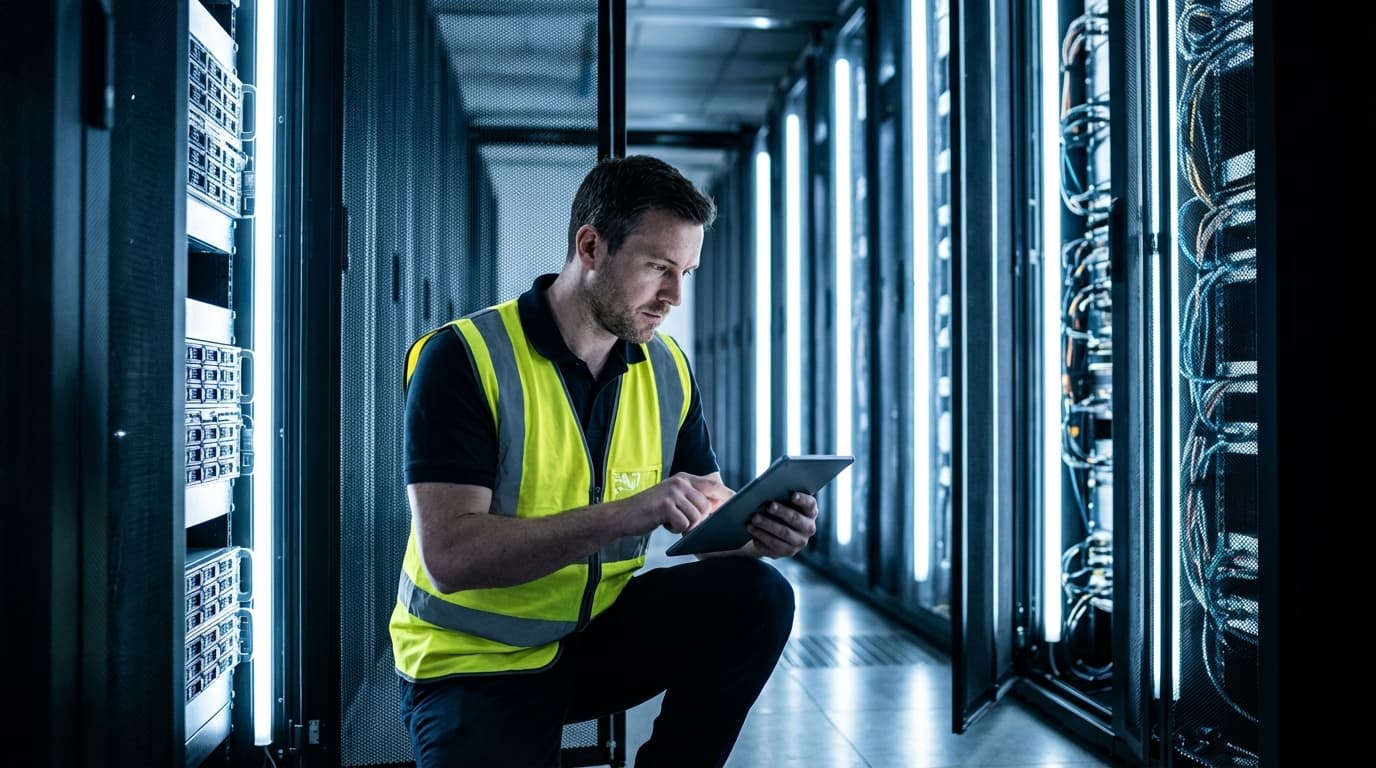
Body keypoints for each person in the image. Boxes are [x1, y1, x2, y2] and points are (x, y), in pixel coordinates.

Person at [389, 153, 820, 767]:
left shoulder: (666, 368)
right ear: (590, 246)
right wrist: (627, 514)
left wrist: (762, 534)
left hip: (593, 638)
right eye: (658, 268)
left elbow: (707, 519)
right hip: (474, 660)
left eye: (686, 273)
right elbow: (452, 557)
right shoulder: (462, 358)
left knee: (758, 596)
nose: (672, 296)